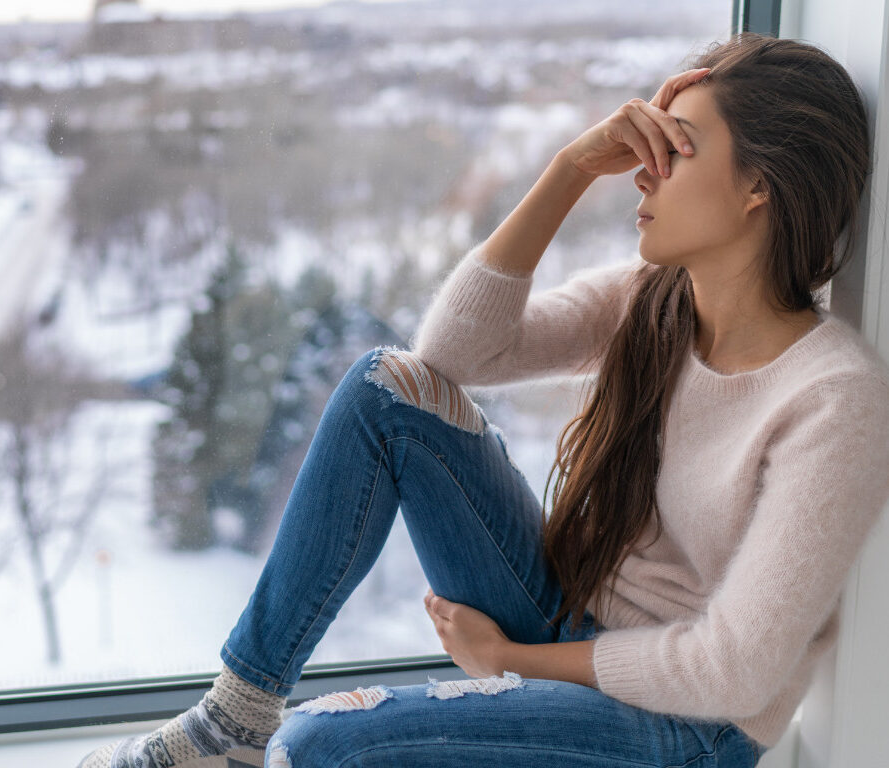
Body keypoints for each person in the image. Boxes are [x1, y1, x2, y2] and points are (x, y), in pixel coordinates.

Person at [77, 33, 889, 768]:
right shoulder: (656, 300)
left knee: (321, 746)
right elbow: (452, 357)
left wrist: (512, 660)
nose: (645, 170)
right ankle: (231, 724)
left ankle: (264, 742)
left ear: (759, 186)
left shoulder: (833, 400)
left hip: (686, 725)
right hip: (573, 619)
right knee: (382, 388)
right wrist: (569, 168)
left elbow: (730, 670)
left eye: (678, 148)